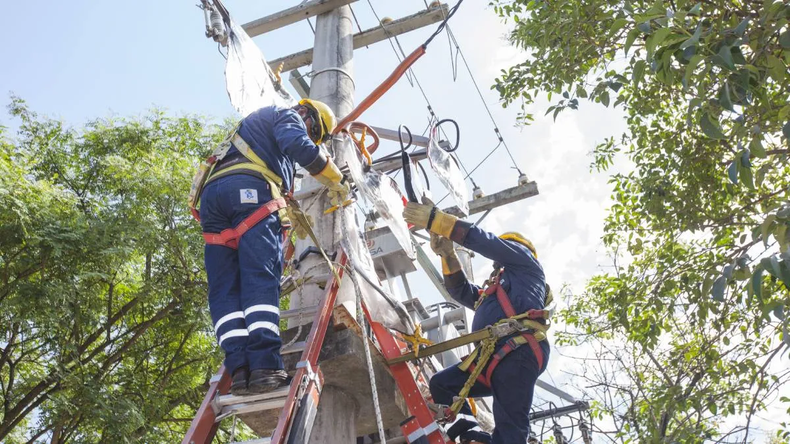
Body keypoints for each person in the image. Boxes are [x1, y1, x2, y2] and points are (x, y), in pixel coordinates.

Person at [198, 99, 349, 395]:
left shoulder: (249, 132)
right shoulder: (285, 115)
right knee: (260, 279)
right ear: (306, 112)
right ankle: (265, 366)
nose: (310, 135)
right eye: (314, 130)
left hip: (213, 203)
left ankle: (240, 369)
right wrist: (336, 178)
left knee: (225, 289)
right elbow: (301, 147)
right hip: (250, 193)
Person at [403, 198, 550, 444]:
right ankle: (472, 433)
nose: (496, 265)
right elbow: (461, 292)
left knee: (510, 429)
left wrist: (437, 221)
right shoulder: (493, 294)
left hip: (517, 350)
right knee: (442, 385)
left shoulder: (526, 264)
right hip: (491, 359)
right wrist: (448, 255)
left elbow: (487, 243)